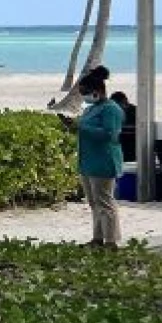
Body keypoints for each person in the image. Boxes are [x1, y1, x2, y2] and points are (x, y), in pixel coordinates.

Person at [67, 66, 125, 248]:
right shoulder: (91, 109)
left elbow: (110, 134)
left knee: (105, 202)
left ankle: (111, 240)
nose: (83, 95)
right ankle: (98, 238)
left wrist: (82, 128)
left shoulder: (111, 109)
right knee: (94, 203)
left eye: (85, 92)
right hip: (88, 161)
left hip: (103, 161)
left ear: (98, 91)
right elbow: (85, 128)